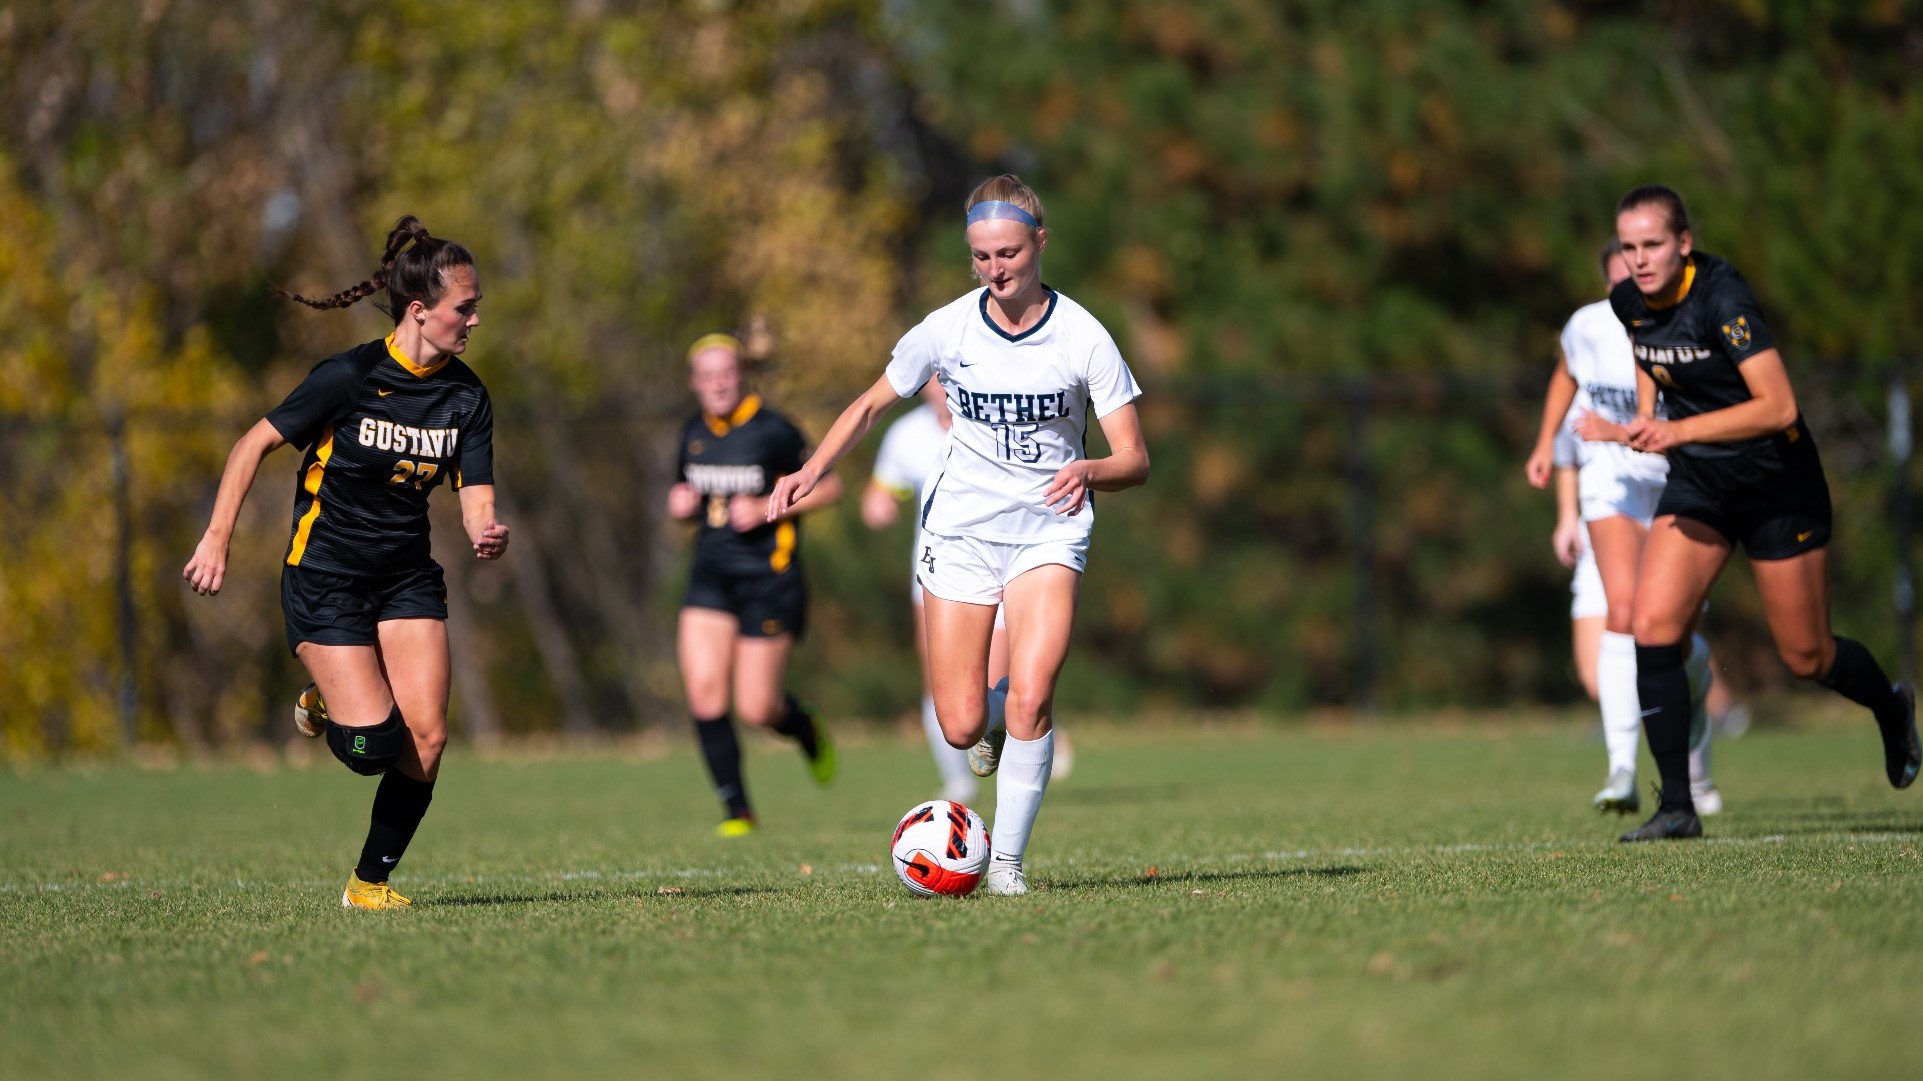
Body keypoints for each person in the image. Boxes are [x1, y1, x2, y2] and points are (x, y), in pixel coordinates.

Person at [769, 174, 1149, 894]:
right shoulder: (946, 329)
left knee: (1034, 695)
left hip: (1047, 531)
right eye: (980, 256)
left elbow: (1135, 458)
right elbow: (870, 404)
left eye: (1007, 252)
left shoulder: (1082, 335)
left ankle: (1005, 863)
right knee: (960, 722)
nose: (995, 268)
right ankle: (994, 720)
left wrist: (1091, 469)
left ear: (1039, 243)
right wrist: (812, 469)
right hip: (962, 534)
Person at [183, 215, 509, 909]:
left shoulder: (467, 396)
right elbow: (250, 445)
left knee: (427, 739)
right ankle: (327, 702)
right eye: (465, 307)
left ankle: (368, 884)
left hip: (405, 577)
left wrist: (486, 530)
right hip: (324, 577)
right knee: (372, 747)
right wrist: (217, 537)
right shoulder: (349, 376)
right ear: (420, 311)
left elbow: (475, 496)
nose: (475, 318)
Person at [1604, 184, 1918, 841]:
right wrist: (1642, 415)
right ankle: (1677, 808)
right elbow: (1648, 353)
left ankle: (1890, 708)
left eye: (1652, 244)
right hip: (1700, 485)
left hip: (1776, 485)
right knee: (1652, 623)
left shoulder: (1723, 298)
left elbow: (1776, 406)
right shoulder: (1627, 300)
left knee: (1806, 655)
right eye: (1628, 246)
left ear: (1682, 243)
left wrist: (1678, 432)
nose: (1638, 259)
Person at [1528, 240, 1727, 816]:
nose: (1635, 278)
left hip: (1680, 484)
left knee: (1669, 637)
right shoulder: (1588, 326)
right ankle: (1622, 770)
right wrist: (1545, 443)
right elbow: (1566, 370)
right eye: (1623, 269)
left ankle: (1696, 699)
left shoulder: (1693, 329)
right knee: (1624, 615)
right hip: (1611, 485)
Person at [667, 332, 842, 836]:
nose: (719, 384)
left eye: (727, 372)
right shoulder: (692, 432)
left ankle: (802, 724)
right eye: (708, 375)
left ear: (742, 374)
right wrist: (680, 507)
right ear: (694, 383)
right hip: (711, 578)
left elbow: (830, 485)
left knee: (757, 708)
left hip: (770, 580)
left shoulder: (774, 429)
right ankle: (737, 810)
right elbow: (691, 496)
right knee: (704, 694)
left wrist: (774, 505)